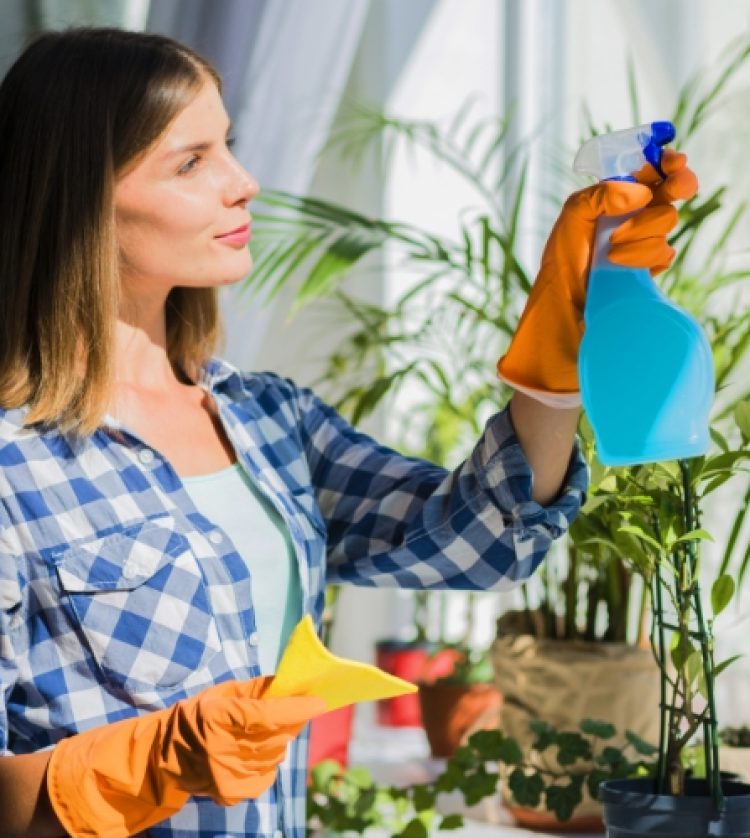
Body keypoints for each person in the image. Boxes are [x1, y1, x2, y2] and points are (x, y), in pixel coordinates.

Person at [0, 26, 696, 838]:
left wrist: (564, 323)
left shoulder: (266, 422)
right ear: (78, 197)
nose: (245, 183)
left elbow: (481, 540)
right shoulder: (17, 461)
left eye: (228, 146)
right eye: (191, 163)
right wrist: (149, 764)